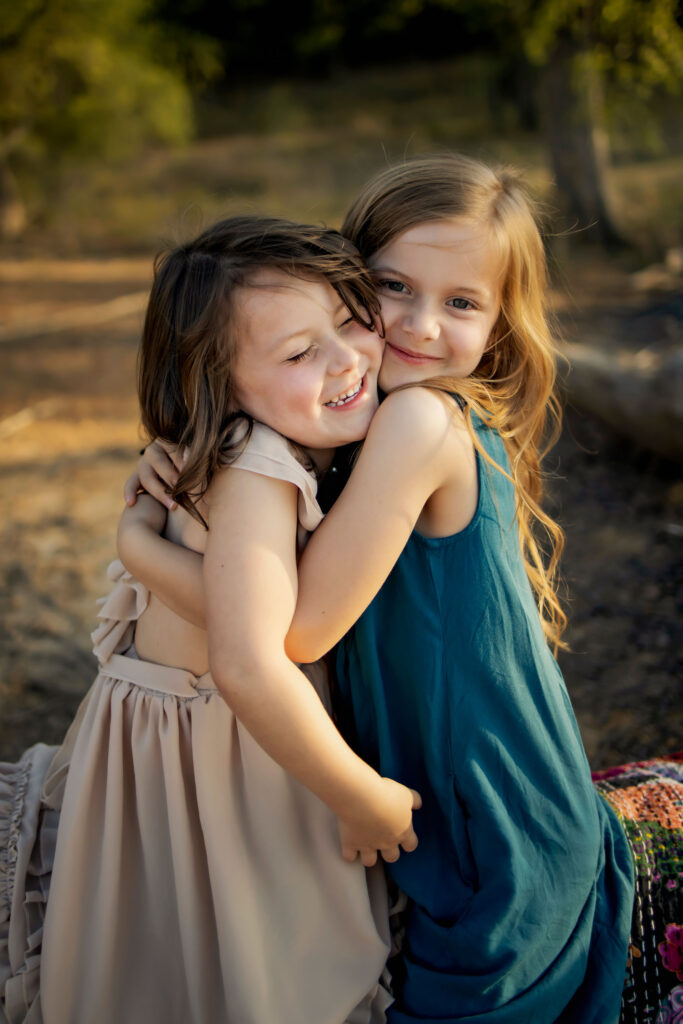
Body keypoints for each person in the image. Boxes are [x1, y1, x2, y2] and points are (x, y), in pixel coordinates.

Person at [128, 155, 683, 1024]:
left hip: (493, 831)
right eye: (392, 287)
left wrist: (142, 552)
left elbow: (297, 632)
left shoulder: (418, 421)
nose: (420, 326)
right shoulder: (355, 426)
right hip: (461, 810)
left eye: (461, 302)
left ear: (499, 324)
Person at [0, 215, 425, 1024]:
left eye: (350, 319)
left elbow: (246, 612)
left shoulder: (270, 439)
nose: (344, 361)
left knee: (185, 951)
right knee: (240, 962)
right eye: (299, 354)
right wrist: (357, 795)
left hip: (184, 729)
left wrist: (138, 546)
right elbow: (250, 657)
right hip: (219, 745)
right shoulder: (258, 469)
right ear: (220, 385)